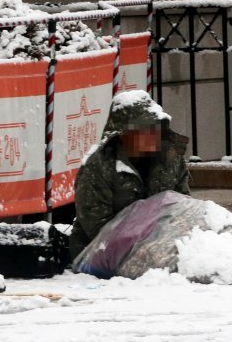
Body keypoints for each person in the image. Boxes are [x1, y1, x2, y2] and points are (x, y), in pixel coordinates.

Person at [69, 90, 190, 260]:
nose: (153, 135)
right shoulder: (98, 167)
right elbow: (97, 226)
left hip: (159, 248)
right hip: (99, 254)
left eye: (156, 127)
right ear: (123, 134)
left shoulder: (171, 161)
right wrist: (143, 246)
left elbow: (182, 207)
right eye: (144, 129)